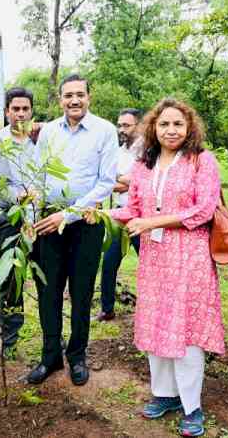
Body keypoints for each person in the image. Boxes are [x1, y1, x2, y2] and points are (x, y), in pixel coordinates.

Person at [106, 98, 224, 437]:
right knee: (157, 320)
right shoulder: (144, 165)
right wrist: (98, 214)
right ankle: (165, 394)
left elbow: (203, 211)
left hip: (189, 256)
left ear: (189, 128)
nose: (171, 130)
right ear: (153, 129)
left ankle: (191, 405)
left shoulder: (202, 161)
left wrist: (152, 221)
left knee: (184, 327)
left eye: (177, 124)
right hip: (155, 257)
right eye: (164, 124)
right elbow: (134, 208)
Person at [26, 73, 117, 387]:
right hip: (48, 224)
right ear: (60, 99)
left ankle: (77, 356)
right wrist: (31, 219)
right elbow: (38, 178)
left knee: (81, 293)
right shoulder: (49, 131)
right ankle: (50, 356)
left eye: (80, 94)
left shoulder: (105, 131)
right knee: (48, 292)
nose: (74, 100)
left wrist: (68, 214)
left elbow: (106, 183)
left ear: (89, 97)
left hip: (85, 224)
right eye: (68, 95)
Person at [0, 86, 37, 350]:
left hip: (43, 219)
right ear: (7, 112)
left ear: (32, 111)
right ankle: (10, 335)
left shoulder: (42, 139)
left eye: (25, 109)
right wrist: (19, 198)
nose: (20, 114)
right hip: (10, 219)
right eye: (15, 109)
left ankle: (53, 334)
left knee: (48, 275)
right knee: (11, 276)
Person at [96, 108, 143, 321]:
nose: (121, 129)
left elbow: (142, 182)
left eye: (126, 125)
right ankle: (107, 309)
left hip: (142, 218)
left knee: (149, 266)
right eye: (120, 125)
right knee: (109, 262)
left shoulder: (149, 151)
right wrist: (124, 180)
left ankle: (150, 310)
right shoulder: (118, 151)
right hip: (119, 215)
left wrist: (124, 180)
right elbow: (110, 182)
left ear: (139, 126)